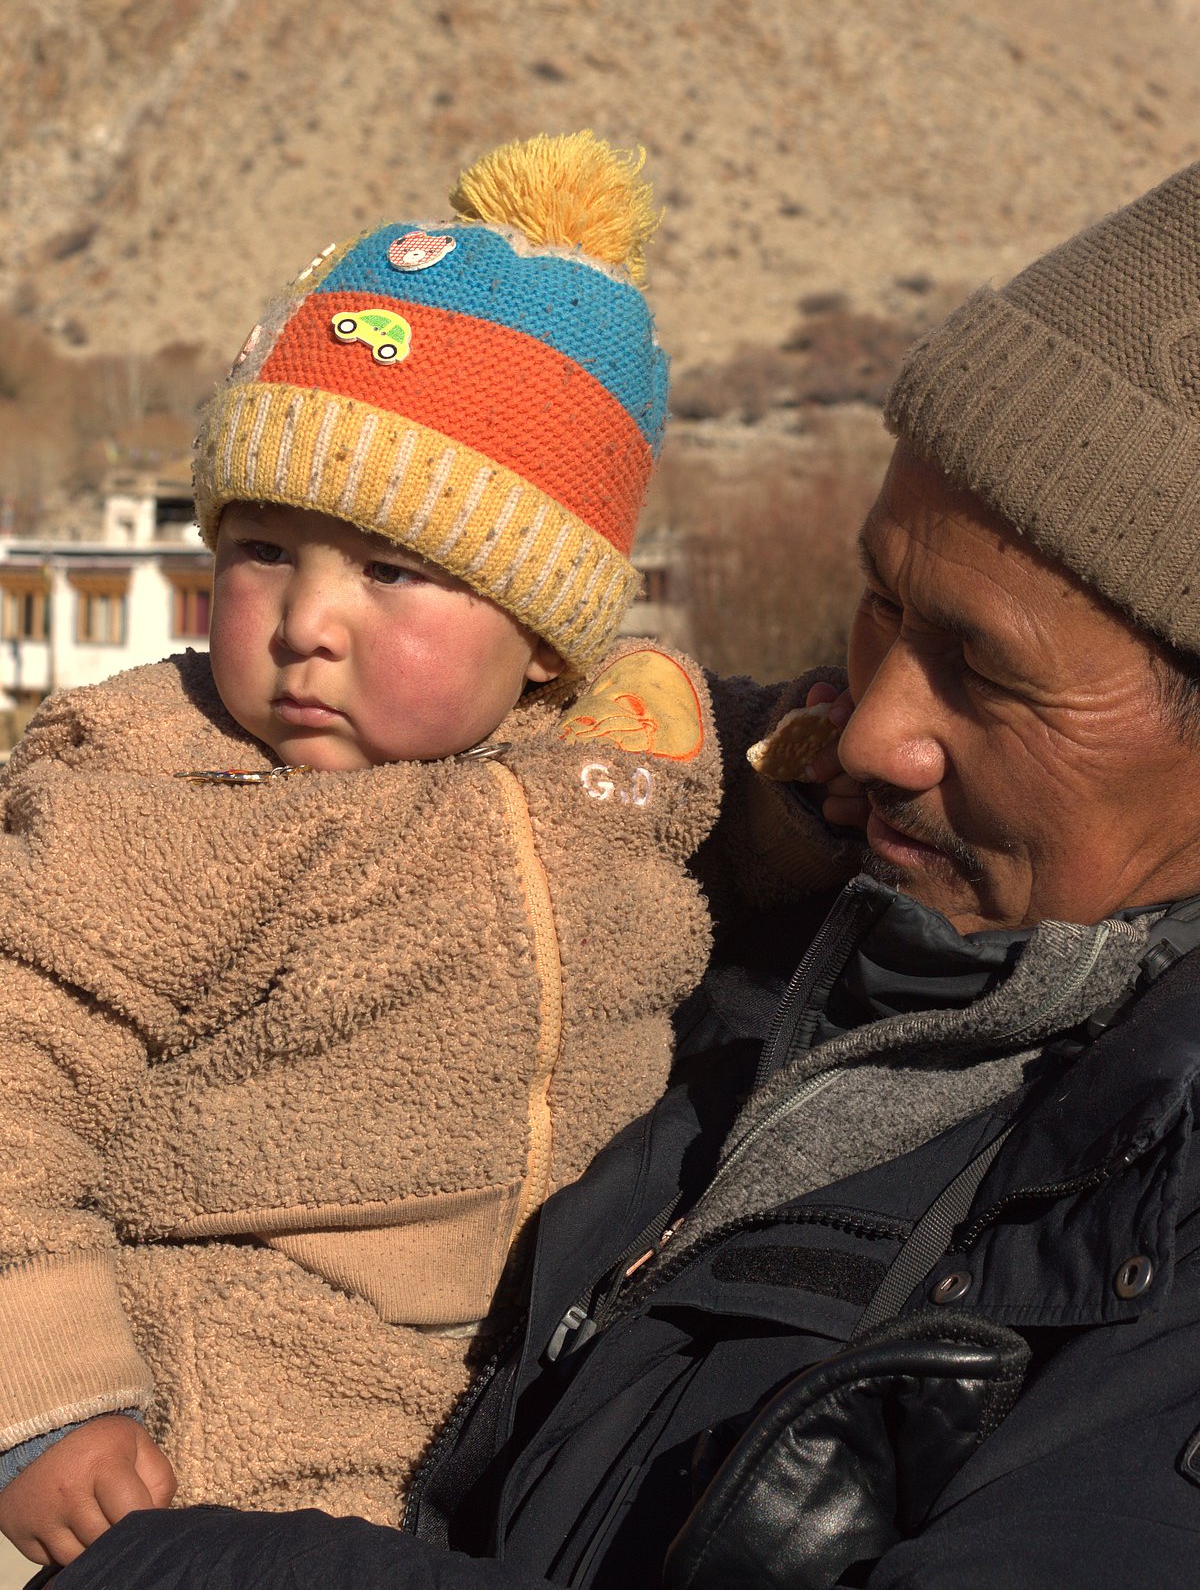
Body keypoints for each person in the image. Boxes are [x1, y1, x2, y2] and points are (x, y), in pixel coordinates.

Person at [45, 156, 1200, 1589]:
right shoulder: (725, 849)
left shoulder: (1162, 1207)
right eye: (879, 608)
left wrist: (178, 1571)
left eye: (984, 673)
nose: (882, 727)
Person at [0, 132, 854, 1571]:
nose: (305, 621)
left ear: (541, 637)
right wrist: (48, 1396)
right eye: (264, 550)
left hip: (559, 1360)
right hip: (248, 1365)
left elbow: (746, 800)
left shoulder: (621, 743)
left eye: (394, 571)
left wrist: (807, 792)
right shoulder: (153, 796)